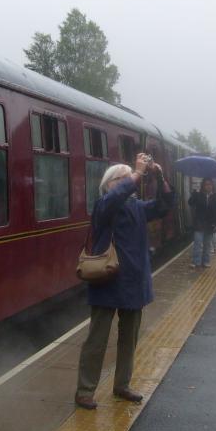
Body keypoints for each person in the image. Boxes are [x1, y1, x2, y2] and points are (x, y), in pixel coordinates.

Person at [75, 153, 175, 410]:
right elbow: (115, 197)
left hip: (134, 282)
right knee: (96, 339)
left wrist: (159, 174)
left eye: (127, 177)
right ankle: (85, 390)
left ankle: (122, 385)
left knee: (129, 338)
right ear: (108, 184)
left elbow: (164, 205)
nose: (127, 181)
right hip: (107, 279)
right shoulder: (103, 205)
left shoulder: (138, 207)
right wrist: (137, 173)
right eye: (119, 178)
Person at [188, 178, 216, 269]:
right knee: (198, 243)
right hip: (199, 223)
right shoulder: (198, 195)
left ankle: (206, 261)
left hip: (210, 224)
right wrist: (194, 193)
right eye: (206, 184)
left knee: (207, 244)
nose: (208, 186)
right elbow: (190, 203)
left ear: (213, 186)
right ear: (203, 185)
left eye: (210, 184)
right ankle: (196, 262)